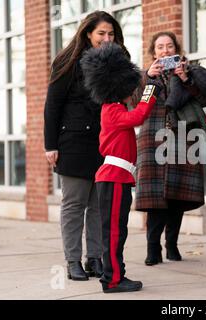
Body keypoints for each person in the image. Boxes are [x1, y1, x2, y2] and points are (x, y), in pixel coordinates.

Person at [44, 11, 129, 281]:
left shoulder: (116, 62)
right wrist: (50, 144)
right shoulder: (67, 62)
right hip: (73, 142)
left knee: (98, 205)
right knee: (74, 203)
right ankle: (73, 261)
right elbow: (52, 105)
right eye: (101, 33)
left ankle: (95, 258)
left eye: (111, 34)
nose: (106, 39)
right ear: (88, 34)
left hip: (105, 143)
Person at [80, 42, 161, 293]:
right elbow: (139, 116)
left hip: (119, 176)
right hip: (114, 177)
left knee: (118, 231)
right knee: (114, 232)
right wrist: (150, 90)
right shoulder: (111, 110)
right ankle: (112, 279)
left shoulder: (114, 107)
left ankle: (115, 274)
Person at [133, 31, 206, 266]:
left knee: (177, 195)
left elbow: (203, 99)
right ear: (153, 52)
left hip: (183, 136)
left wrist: (185, 79)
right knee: (155, 198)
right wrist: (148, 78)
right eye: (160, 47)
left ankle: (171, 244)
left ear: (176, 49)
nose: (165, 51)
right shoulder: (144, 77)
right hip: (153, 138)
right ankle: (153, 248)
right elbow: (137, 104)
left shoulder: (189, 72)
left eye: (169, 46)